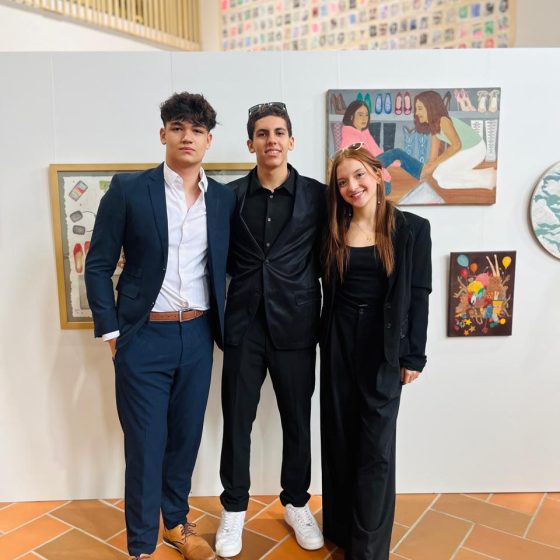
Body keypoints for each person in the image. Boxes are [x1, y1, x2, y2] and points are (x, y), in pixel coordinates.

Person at [85, 92, 236, 560]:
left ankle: (175, 524)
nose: (187, 137)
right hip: (142, 337)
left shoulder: (223, 199)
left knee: (185, 440)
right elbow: (98, 264)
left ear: (209, 141)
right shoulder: (130, 190)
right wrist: (112, 333)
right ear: (163, 134)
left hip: (198, 335)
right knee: (146, 446)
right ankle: (140, 546)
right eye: (178, 127)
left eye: (197, 130)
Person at [215, 102, 326, 557]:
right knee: (237, 421)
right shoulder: (228, 197)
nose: (271, 140)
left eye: (279, 132)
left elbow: (335, 252)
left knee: (297, 421)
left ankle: (297, 503)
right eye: (262, 133)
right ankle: (233, 509)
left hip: (296, 326)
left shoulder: (319, 196)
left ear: (291, 141)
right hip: (243, 325)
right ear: (251, 144)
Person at [321, 144, 431, 559]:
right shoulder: (333, 229)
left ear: (378, 175)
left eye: (359, 175)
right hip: (338, 342)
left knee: (376, 449)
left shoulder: (412, 229)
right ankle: (341, 530)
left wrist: (414, 356)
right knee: (339, 437)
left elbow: (419, 295)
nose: (352, 186)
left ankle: (367, 549)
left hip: (383, 348)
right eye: (343, 181)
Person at [377, 90, 496, 189]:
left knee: (443, 179)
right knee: (438, 176)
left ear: (430, 108)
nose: (417, 113)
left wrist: (433, 165)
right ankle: (487, 177)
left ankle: (487, 179)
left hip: (475, 148)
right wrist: (425, 172)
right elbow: (432, 158)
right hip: (466, 149)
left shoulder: (443, 120)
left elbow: (457, 145)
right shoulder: (434, 127)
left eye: (419, 108)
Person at [340, 100, 393, 189]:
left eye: (366, 115)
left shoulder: (364, 133)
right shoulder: (350, 138)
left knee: (396, 155)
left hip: (374, 171)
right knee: (396, 153)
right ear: (351, 117)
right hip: (366, 177)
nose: (364, 118)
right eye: (360, 115)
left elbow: (377, 152)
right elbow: (361, 166)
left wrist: (394, 163)